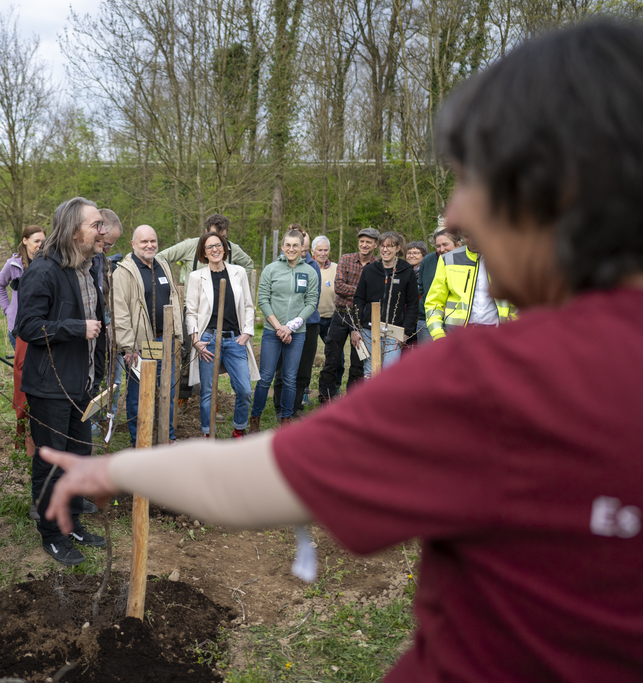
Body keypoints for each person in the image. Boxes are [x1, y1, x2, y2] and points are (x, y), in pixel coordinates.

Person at [39, 20, 643, 681]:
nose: (455, 215)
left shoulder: (502, 382)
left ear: (554, 186)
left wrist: (115, 472)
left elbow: (244, 482)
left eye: (472, 178)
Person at [15, 197, 109, 566]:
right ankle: (52, 534)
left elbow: (98, 327)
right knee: (52, 463)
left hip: (80, 385)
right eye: (96, 225)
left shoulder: (85, 268)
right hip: (50, 388)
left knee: (79, 458)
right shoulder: (43, 271)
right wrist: (74, 328)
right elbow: (27, 327)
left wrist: (97, 373)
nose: (102, 232)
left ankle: (72, 524)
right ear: (73, 231)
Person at [113, 225, 182, 446]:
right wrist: (127, 346)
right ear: (133, 245)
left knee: (167, 391)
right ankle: (139, 441)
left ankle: (167, 437)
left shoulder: (163, 266)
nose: (149, 245)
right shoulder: (123, 273)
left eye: (153, 241)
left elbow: (173, 298)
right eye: (144, 242)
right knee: (139, 394)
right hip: (140, 345)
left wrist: (177, 333)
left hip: (164, 340)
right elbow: (120, 312)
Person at [184, 232, 258, 438]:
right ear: (203, 253)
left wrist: (247, 333)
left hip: (235, 339)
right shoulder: (196, 277)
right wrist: (196, 341)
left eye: (218, 245)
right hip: (207, 340)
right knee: (207, 392)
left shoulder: (238, 272)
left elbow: (248, 306)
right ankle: (209, 435)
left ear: (225, 248)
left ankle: (239, 430)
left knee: (244, 390)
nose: (215, 249)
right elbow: (190, 312)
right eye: (209, 247)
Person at [250, 230, 318, 430]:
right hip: (272, 331)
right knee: (265, 377)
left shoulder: (310, 272)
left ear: (302, 248)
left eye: (295, 245)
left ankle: (286, 419)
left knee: (290, 378)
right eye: (287, 245)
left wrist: (291, 326)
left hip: (297, 333)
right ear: (282, 247)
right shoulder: (271, 270)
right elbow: (263, 299)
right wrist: (279, 326)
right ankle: (255, 419)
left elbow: (311, 302)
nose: (291, 249)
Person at [318, 227, 379, 403]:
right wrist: (363, 291)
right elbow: (339, 287)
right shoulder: (346, 259)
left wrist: (360, 293)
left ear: (375, 244)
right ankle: (325, 397)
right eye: (362, 241)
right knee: (332, 359)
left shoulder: (377, 265)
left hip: (362, 318)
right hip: (341, 315)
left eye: (368, 242)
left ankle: (352, 401)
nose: (364, 245)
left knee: (358, 362)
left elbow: (375, 294)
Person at [351, 231, 419, 377]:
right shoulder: (369, 270)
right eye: (382, 246)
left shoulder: (406, 271)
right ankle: (372, 400)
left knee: (390, 373)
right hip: (369, 330)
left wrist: (406, 332)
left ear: (398, 248)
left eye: (390, 246)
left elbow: (413, 304)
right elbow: (359, 299)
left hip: (394, 332)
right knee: (370, 372)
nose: (385, 249)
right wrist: (356, 327)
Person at [425, 231, 515, 340]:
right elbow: (434, 302)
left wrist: (514, 328)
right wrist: (438, 334)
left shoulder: (508, 258)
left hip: (498, 334)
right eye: (467, 236)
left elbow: (519, 299)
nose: (472, 240)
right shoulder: (447, 259)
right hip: (457, 335)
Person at [273, 228, 322, 414]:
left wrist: (298, 321)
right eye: (293, 245)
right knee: (282, 366)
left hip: (308, 324)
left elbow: (313, 299)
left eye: (303, 246)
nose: (300, 250)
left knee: (303, 366)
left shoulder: (312, 266)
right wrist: (286, 324)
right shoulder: (277, 265)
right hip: (282, 325)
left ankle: (296, 406)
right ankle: (279, 406)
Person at [157, 213, 254, 281]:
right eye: (214, 236)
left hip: (225, 305)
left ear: (227, 231)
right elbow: (159, 258)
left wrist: (238, 283)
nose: (218, 242)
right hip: (195, 306)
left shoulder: (233, 249)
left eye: (223, 237)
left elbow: (248, 264)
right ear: (206, 232)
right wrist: (167, 283)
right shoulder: (190, 246)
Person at [0, 225, 45, 349]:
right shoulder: (13, 264)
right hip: (18, 328)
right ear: (25, 241)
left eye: (43, 241)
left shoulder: (48, 263)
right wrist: (7, 309)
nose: (41, 245)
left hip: (42, 325)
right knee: (22, 367)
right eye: (36, 241)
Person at [415, 222, 462, 343]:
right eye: (438, 245)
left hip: (456, 321)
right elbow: (422, 288)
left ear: (458, 244)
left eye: (445, 244)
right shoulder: (428, 260)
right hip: (427, 319)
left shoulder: (466, 262)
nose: (442, 249)